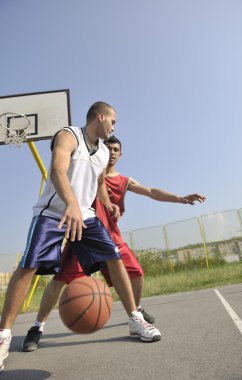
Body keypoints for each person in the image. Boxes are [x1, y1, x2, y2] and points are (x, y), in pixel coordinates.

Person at [0, 102, 162, 373]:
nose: (114, 126)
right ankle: (4, 335)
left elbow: (97, 183)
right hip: (53, 214)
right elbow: (57, 171)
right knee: (28, 267)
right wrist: (72, 204)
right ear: (100, 117)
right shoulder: (68, 135)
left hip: (85, 216)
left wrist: (107, 203)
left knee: (114, 257)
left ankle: (135, 319)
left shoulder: (101, 151)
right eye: (113, 121)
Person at [22, 135, 206, 352]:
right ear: (101, 151)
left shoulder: (123, 181)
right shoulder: (87, 176)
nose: (112, 152)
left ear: (120, 154)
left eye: (116, 149)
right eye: (108, 148)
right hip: (82, 238)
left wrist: (180, 198)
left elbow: (151, 192)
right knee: (59, 281)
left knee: (136, 273)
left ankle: (136, 313)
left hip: (112, 239)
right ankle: (37, 327)